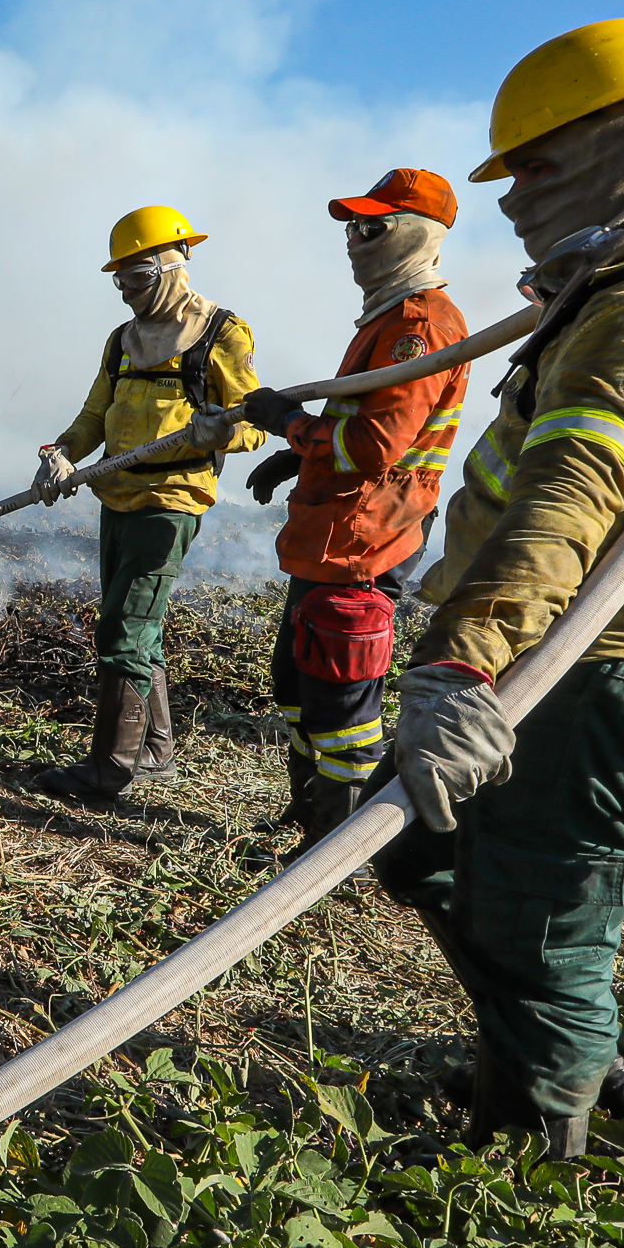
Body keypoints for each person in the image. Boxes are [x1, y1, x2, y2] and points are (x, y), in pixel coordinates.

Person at [372, 18, 624, 1158]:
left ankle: (530, 1179)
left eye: (532, 167)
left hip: (608, 674)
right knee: (425, 860)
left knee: (544, 935)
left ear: (618, 143)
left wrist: (459, 659)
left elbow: (572, 491)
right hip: (556, 662)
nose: (508, 198)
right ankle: (561, 1053)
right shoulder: (622, 280)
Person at [238, 170, 470, 854]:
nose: (353, 242)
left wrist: (289, 426)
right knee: (298, 682)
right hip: (336, 535)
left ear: (415, 236)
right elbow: (364, 431)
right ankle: (302, 814)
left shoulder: (418, 328)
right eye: (350, 227)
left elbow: (373, 447)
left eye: (371, 228)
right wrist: (303, 457)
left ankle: (325, 852)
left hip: (365, 545)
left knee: (341, 708)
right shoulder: (387, 318)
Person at [34, 205, 268, 800]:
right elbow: (95, 415)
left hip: (172, 499)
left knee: (122, 629)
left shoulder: (220, 333)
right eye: (119, 281)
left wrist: (224, 432)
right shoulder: (123, 341)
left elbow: (257, 423)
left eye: (135, 278)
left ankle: (110, 769)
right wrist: (63, 452)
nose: (125, 294)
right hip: (117, 496)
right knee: (140, 625)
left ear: (171, 267)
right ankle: (155, 752)